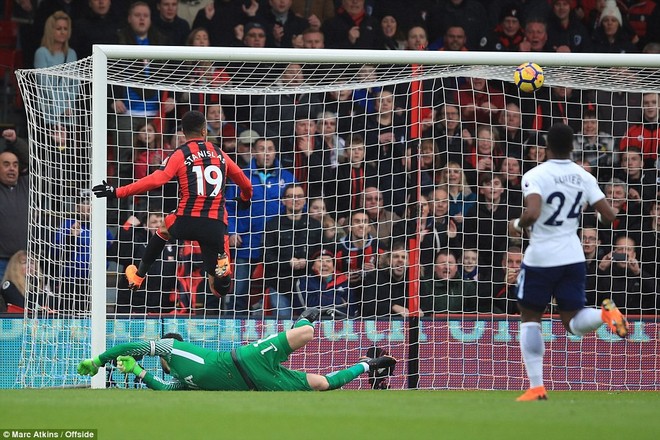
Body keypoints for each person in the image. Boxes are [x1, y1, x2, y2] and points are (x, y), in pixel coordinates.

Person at [508, 123, 627, 402]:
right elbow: (610, 216)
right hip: (573, 256)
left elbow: (533, 212)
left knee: (529, 318)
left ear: (546, 147)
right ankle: (604, 315)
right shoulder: (582, 175)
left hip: (541, 257)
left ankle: (536, 387)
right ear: (572, 147)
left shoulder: (535, 174)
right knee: (572, 322)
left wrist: (515, 224)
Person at [92, 110, 253, 298]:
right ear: (204, 131)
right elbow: (247, 185)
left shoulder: (180, 153)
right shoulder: (220, 154)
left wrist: (118, 192)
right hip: (214, 225)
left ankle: (138, 276)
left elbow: (156, 180)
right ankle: (223, 275)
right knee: (219, 290)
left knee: (163, 229)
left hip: (185, 221)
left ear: (184, 133)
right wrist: (244, 199)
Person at [77, 309, 396, 391]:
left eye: (154, 359)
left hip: (247, 357)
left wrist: (99, 360)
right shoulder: (183, 382)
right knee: (322, 384)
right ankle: (369, 364)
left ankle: (306, 314)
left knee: (307, 332)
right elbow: (162, 388)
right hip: (259, 383)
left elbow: (133, 345)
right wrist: (137, 371)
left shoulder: (172, 349)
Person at [224, 137, 295, 314]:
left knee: (279, 289)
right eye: (262, 148)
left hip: (277, 245)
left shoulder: (287, 177)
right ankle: (231, 328)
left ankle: (282, 330)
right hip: (247, 242)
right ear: (255, 152)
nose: (266, 153)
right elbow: (228, 207)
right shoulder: (241, 176)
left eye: (270, 148)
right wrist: (231, 231)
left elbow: (298, 204)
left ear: (275, 152)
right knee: (238, 291)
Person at [262, 183, 323, 319]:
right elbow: (266, 256)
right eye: (291, 196)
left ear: (305, 200)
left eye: (299, 196)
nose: (296, 200)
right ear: (283, 200)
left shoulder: (315, 226)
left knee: (309, 327)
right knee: (284, 327)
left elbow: (322, 254)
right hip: (280, 286)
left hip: (309, 287)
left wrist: (309, 262)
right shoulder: (272, 225)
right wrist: (288, 263)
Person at [0, 151, 29, 281]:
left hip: (25, 261)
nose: (12, 168)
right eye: (6, 164)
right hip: (1, 261)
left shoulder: (27, 185)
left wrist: (15, 141)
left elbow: (33, 162)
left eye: (15, 165)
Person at [297, 250, 350, 318]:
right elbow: (308, 304)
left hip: (341, 322)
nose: (324, 264)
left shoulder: (344, 281)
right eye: (320, 261)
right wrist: (338, 300)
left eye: (328, 261)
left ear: (334, 267)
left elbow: (351, 310)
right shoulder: (304, 281)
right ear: (313, 266)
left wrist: (320, 298)